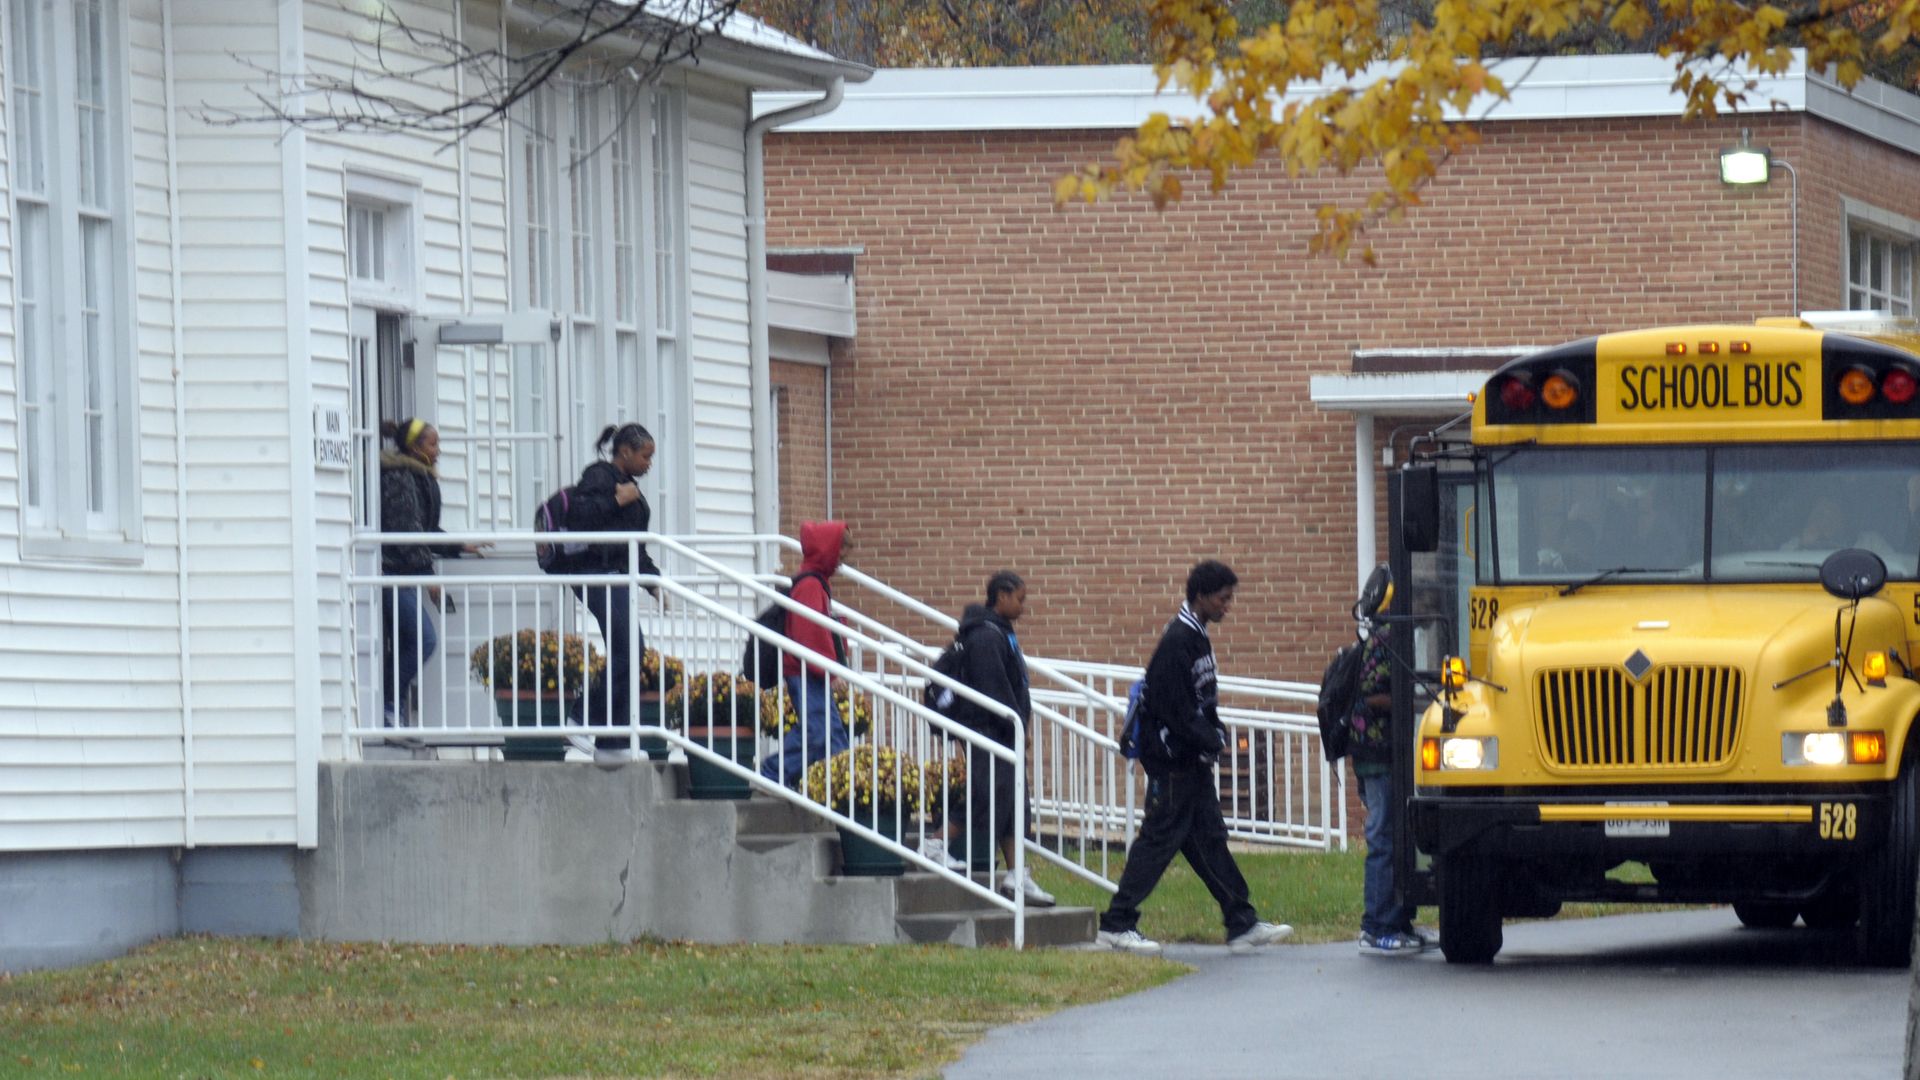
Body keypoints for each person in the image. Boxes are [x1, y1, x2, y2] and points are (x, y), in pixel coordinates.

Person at [1096, 560, 1293, 955]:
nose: (1228, 605)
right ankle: (1116, 923)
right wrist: (1210, 738)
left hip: (1191, 760)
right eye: (1223, 598)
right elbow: (1174, 708)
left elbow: (1204, 699)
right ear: (1201, 595)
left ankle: (1242, 921)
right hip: (1173, 762)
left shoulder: (1197, 635)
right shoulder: (1178, 640)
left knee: (1209, 841)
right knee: (1158, 841)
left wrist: (1213, 731)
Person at [925, 571, 1055, 906]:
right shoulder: (985, 636)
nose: (1023, 607)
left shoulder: (1000, 632)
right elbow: (993, 687)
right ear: (1001, 595)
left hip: (1002, 731)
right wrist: (1016, 723)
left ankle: (1018, 875)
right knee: (985, 794)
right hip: (986, 729)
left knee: (1015, 803)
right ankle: (935, 845)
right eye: (1019, 599)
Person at [1348, 582, 1436, 956]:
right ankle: (1377, 926)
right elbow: (1370, 695)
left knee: (1398, 836)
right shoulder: (1386, 639)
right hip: (1378, 753)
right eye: (1426, 604)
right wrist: (1412, 702)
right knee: (1384, 837)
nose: (1429, 614)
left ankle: (1399, 920)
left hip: (1392, 753)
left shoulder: (1394, 637)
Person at [565, 423, 661, 763]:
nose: (650, 462)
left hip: (617, 575)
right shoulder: (599, 476)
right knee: (629, 648)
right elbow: (578, 516)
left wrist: (654, 583)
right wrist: (616, 500)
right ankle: (580, 718)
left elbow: (636, 549)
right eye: (645, 455)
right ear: (625, 452)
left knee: (631, 651)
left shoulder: (633, 489)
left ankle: (612, 742)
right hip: (592, 573)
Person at [378, 418, 481, 725]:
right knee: (424, 640)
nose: (438, 451)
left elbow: (427, 529)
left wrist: (459, 546)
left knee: (410, 641)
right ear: (413, 447)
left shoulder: (420, 477)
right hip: (392, 574)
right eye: (432, 444)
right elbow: (408, 530)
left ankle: (391, 708)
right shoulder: (400, 478)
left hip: (405, 575)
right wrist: (429, 577)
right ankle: (387, 705)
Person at [758, 520, 854, 784]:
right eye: (841, 550)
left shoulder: (814, 582)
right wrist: (830, 671)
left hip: (808, 669)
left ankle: (843, 786)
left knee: (828, 733)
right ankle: (773, 773)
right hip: (805, 671)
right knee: (817, 731)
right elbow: (809, 634)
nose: (843, 558)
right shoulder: (811, 585)